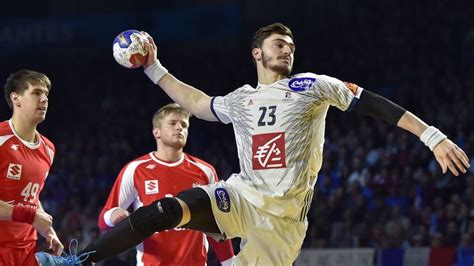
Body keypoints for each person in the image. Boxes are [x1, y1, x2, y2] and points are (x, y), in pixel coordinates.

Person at [39, 23, 470, 265]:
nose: (287, 50)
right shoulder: (242, 99)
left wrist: (432, 136)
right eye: (278, 44)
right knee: (166, 210)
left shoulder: (311, 86)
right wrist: (154, 68)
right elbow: (199, 103)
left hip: (282, 223)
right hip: (243, 195)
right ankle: (78, 262)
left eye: (291, 46)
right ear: (257, 54)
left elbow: (371, 103)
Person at [97, 103, 235, 265]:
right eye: (172, 123)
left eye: (184, 125)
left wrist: (230, 262)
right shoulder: (136, 169)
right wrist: (112, 216)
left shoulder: (205, 171)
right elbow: (103, 220)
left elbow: (218, 223)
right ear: (157, 132)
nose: (179, 128)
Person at [0, 69, 64, 265]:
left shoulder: (48, 148)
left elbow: (31, 196)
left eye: (46, 94)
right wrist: (30, 215)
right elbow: (29, 212)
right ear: (16, 98)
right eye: (36, 93)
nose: (44, 99)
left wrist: (47, 229)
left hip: (26, 249)